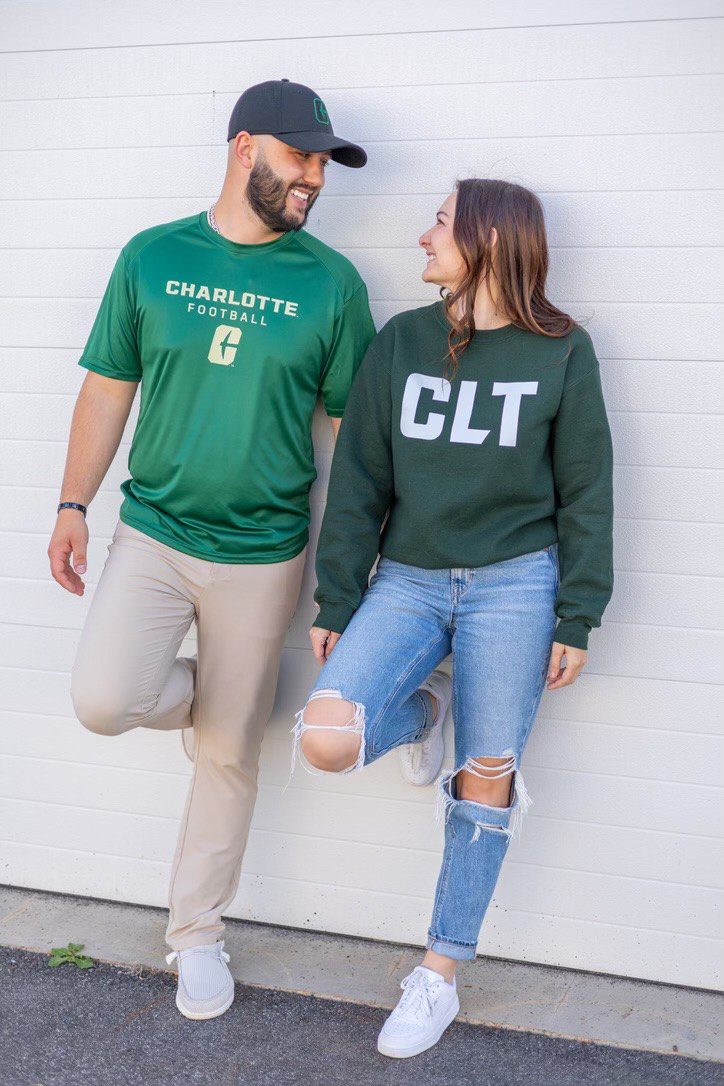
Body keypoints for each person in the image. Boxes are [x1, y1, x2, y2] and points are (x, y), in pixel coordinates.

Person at [48, 79, 374, 1020]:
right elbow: (108, 386)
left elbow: (353, 434)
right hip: (151, 530)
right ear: (244, 148)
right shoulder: (153, 257)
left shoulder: (332, 282)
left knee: (228, 754)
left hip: (267, 550)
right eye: (301, 156)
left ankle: (196, 938)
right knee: (106, 699)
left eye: (325, 162)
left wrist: (349, 567)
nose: (315, 176)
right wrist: (73, 501)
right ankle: (235, 696)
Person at [292, 178, 614, 1058]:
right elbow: (358, 476)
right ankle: (424, 709)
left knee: (488, 776)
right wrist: (340, 596)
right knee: (328, 736)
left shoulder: (562, 351)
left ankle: (438, 973)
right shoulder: (403, 340)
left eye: (439, 222)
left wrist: (576, 613)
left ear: (489, 240)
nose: (422, 236)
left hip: (517, 584)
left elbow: (587, 491)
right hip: (409, 579)